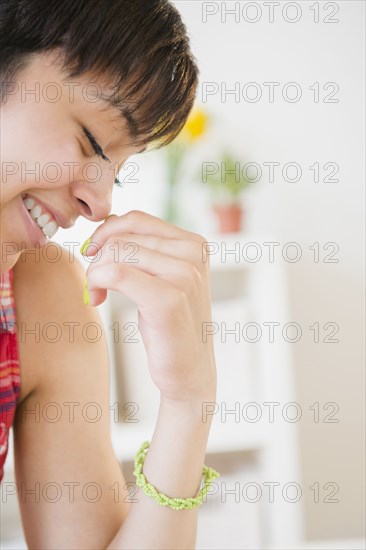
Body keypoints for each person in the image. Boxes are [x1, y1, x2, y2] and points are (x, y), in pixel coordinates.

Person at [0, 1, 218, 548]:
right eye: (91, 144)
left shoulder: (43, 299)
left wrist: (189, 402)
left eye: (117, 174)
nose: (97, 206)